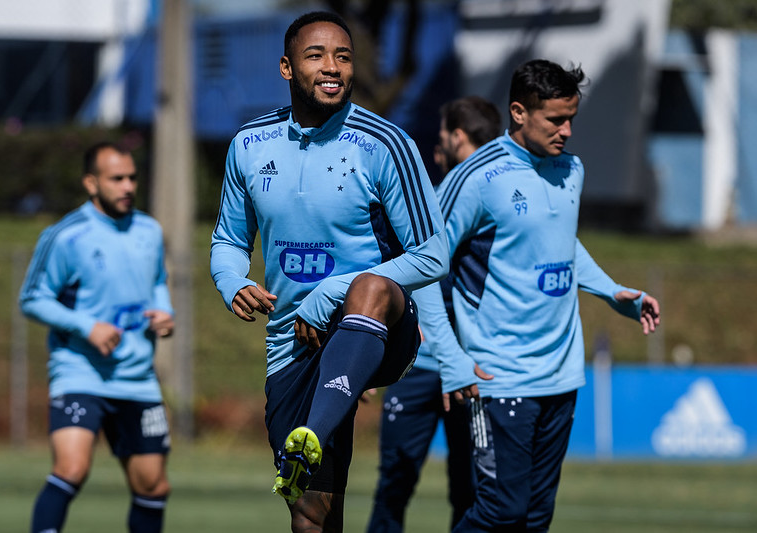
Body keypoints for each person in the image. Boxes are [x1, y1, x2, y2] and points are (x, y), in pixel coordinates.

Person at [209, 11, 448, 533]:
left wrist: (329, 293)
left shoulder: (386, 143)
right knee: (311, 516)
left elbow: (432, 254)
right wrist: (235, 282)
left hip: (380, 325)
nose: (332, 67)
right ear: (287, 68)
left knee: (368, 285)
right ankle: (311, 443)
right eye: (316, 56)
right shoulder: (249, 145)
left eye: (343, 56)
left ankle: (313, 433)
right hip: (294, 341)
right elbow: (228, 241)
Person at [415, 59, 661, 532]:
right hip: (499, 374)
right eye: (556, 119)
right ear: (519, 112)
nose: (567, 131)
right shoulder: (475, 178)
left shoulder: (572, 169)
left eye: (572, 118)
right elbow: (422, 266)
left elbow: (561, 241)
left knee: (535, 519)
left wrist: (613, 293)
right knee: (499, 511)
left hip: (561, 375)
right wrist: (450, 358)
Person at [20, 142, 174, 533]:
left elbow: (156, 282)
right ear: (92, 183)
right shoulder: (66, 236)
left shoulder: (149, 230)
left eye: (132, 177)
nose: (127, 186)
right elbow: (33, 298)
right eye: (116, 178)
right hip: (80, 372)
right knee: (72, 468)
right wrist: (86, 327)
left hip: (137, 378)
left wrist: (164, 313)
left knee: (153, 486)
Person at [366, 96, 501, 532]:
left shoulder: (480, 198)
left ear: (457, 137)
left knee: (469, 488)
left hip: (467, 367)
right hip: (417, 366)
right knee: (396, 483)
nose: (436, 146)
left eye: (443, 135)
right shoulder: (431, 199)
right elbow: (398, 280)